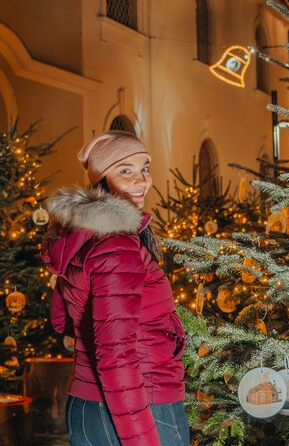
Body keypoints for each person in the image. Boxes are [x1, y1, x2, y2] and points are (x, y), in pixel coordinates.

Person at [41, 131, 189, 446]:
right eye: (125, 170)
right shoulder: (118, 244)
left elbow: (60, 319)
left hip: (86, 407)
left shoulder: (79, 234)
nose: (142, 180)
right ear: (103, 179)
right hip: (139, 407)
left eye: (145, 168)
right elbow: (116, 357)